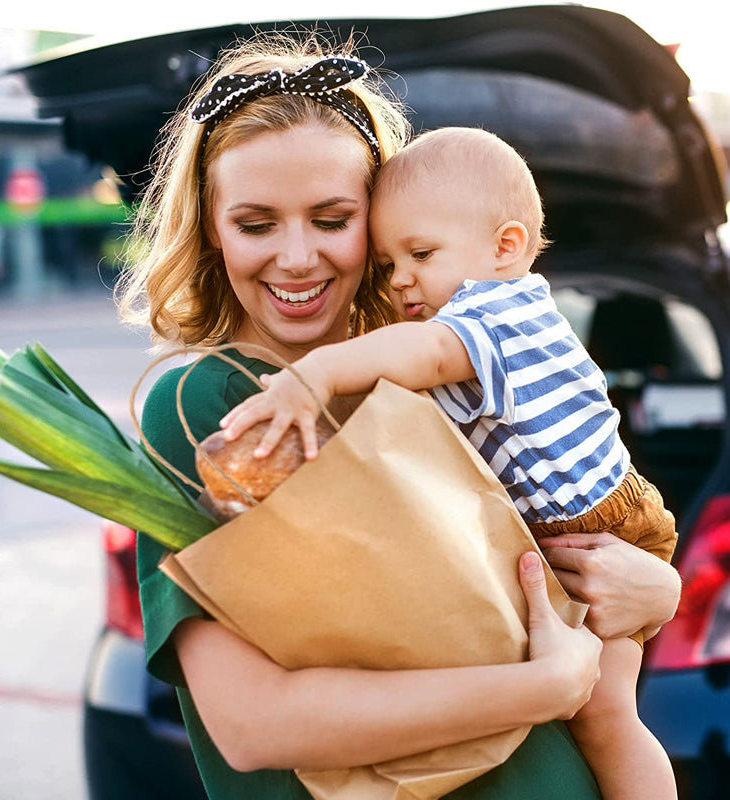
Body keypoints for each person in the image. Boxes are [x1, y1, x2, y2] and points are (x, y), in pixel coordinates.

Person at [119, 32, 681, 800]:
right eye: (256, 224)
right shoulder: (211, 406)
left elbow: (539, 552)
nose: (296, 257)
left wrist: (658, 591)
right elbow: (254, 727)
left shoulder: (414, 379)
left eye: (331, 218)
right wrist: (547, 688)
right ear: (212, 233)